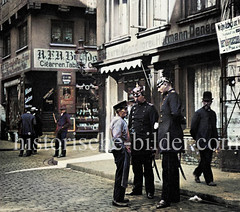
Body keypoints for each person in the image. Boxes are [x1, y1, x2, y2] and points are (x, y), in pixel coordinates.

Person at [156, 77, 184, 209]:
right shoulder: (169, 96)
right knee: (172, 167)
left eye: (159, 86)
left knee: (167, 169)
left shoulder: (172, 96)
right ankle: (174, 196)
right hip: (169, 137)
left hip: (170, 137)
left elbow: (176, 114)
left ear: (166, 84)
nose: (158, 89)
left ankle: (165, 199)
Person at [128, 86, 159, 199]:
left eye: (138, 96)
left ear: (143, 96)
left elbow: (154, 128)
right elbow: (130, 126)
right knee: (136, 168)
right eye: (134, 96)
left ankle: (150, 191)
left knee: (148, 169)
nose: (136, 98)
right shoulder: (133, 108)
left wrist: (153, 144)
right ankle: (137, 189)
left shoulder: (150, 109)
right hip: (136, 142)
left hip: (146, 143)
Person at [191, 91, 218, 186]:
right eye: (205, 101)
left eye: (208, 101)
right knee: (206, 160)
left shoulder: (213, 114)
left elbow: (214, 129)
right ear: (202, 102)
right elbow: (193, 128)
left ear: (211, 102)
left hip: (211, 141)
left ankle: (197, 173)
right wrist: (197, 138)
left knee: (206, 160)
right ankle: (209, 180)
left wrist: (216, 141)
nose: (206, 103)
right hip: (201, 141)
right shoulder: (198, 113)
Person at [110, 100, 131, 207]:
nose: (126, 111)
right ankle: (117, 198)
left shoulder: (119, 120)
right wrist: (124, 148)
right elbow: (117, 137)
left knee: (122, 174)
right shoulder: (119, 121)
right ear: (118, 111)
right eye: (124, 109)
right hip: (120, 151)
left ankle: (120, 197)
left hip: (121, 150)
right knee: (121, 175)